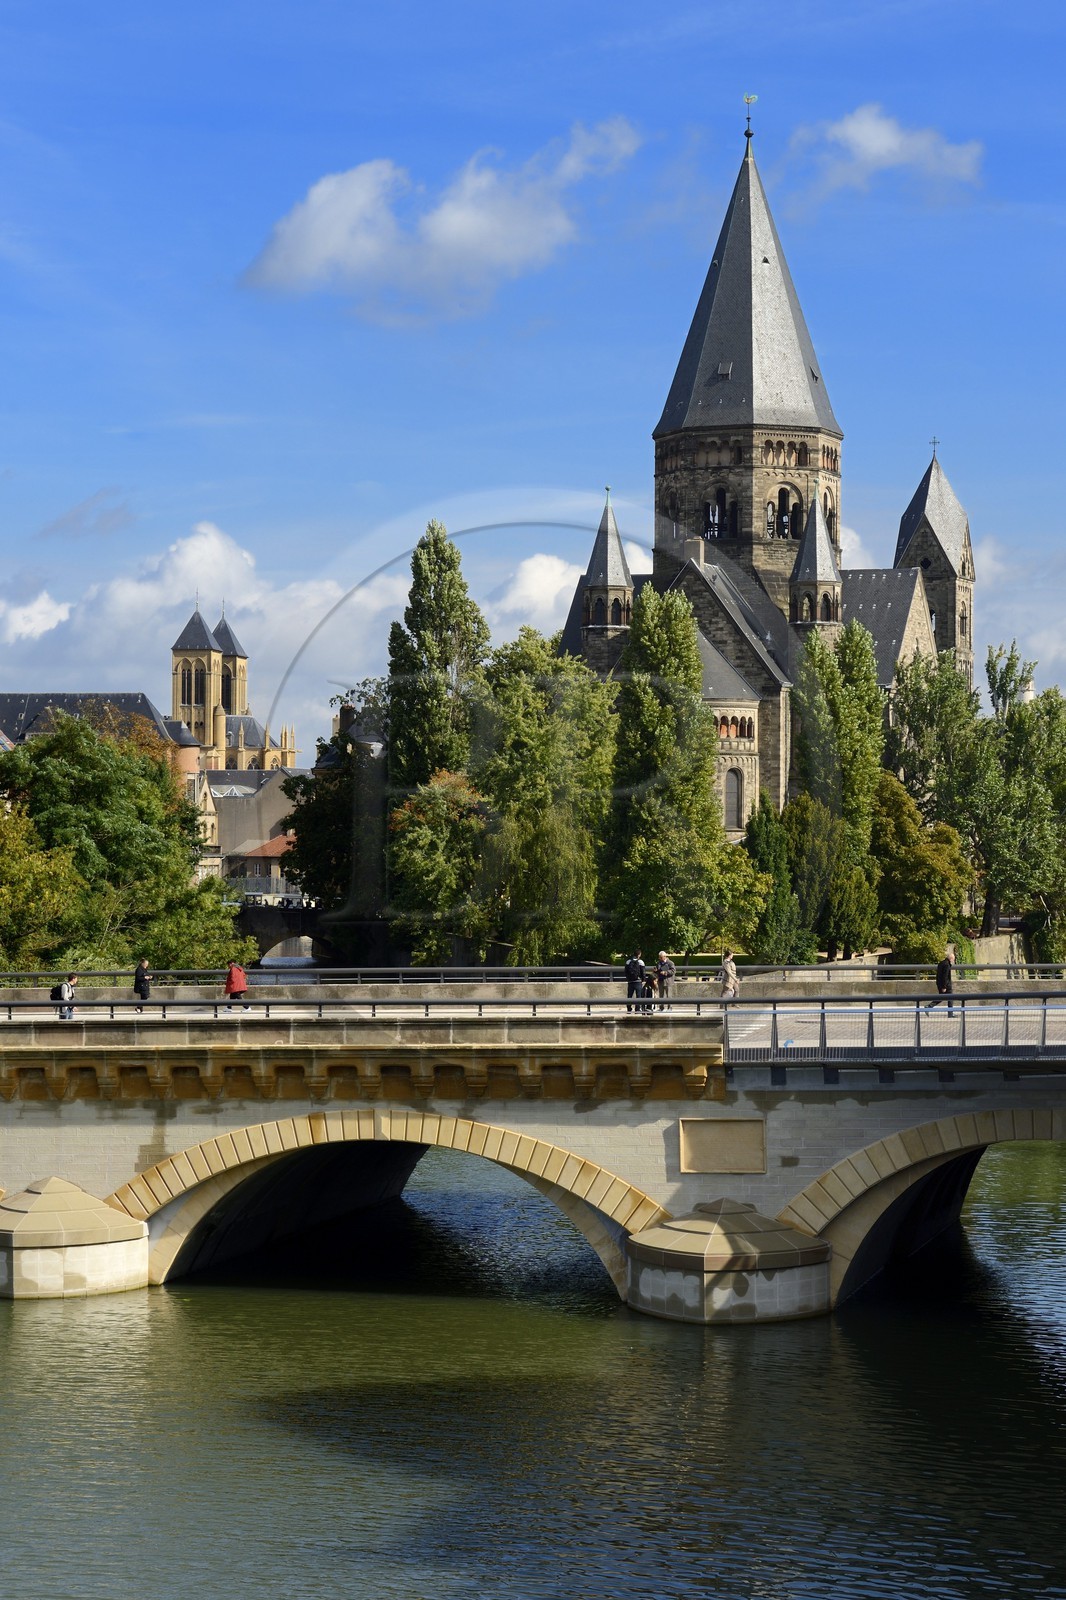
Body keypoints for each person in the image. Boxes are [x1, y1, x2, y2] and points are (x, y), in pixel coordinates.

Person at [926, 946, 955, 1016]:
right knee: (950, 998)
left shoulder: (941, 963)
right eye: (953, 959)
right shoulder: (947, 965)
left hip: (939, 983)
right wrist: (944, 986)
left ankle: (929, 1006)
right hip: (946, 984)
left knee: (942, 997)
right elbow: (945, 976)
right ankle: (950, 1014)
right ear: (951, 959)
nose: (953, 961)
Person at [624, 949, 645, 1013]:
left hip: (630, 981)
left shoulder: (628, 961)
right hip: (638, 981)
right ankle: (637, 1009)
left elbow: (626, 972)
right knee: (638, 995)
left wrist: (628, 978)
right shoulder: (641, 962)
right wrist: (643, 980)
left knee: (629, 995)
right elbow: (643, 972)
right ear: (639, 954)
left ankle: (629, 1009)